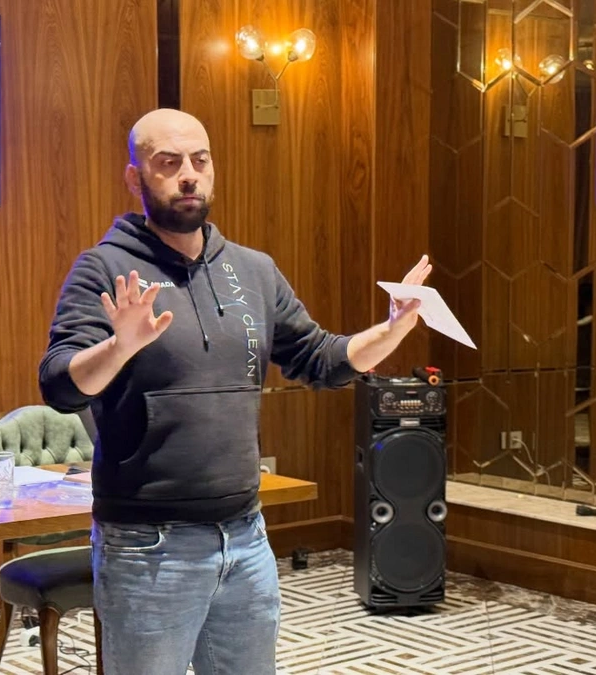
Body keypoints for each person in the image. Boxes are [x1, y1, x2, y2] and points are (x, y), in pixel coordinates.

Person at [37, 108, 431, 675]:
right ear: (134, 177)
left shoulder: (253, 270)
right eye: (168, 163)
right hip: (148, 547)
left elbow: (321, 359)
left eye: (199, 160)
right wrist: (119, 347)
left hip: (246, 538)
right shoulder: (105, 269)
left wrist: (392, 329)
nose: (188, 175)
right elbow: (59, 384)